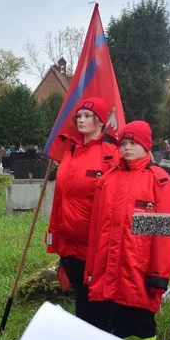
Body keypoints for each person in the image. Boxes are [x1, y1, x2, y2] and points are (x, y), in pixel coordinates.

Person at [85, 121, 170, 340]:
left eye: (133, 143)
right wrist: (91, 270)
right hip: (108, 271)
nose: (127, 148)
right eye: (123, 143)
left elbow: (166, 234)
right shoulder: (107, 180)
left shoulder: (159, 180)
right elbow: (96, 229)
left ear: (146, 146)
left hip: (139, 272)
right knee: (114, 329)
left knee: (142, 331)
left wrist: (159, 275)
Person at [46, 96, 121, 325]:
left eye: (87, 116)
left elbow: (115, 196)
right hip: (70, 241)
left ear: (100, 121)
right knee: (81, 299)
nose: (81, 120)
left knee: (97, 303)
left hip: (95, 244)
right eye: (79, 116)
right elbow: (61, 196)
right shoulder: (71, 151)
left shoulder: (109, 152)